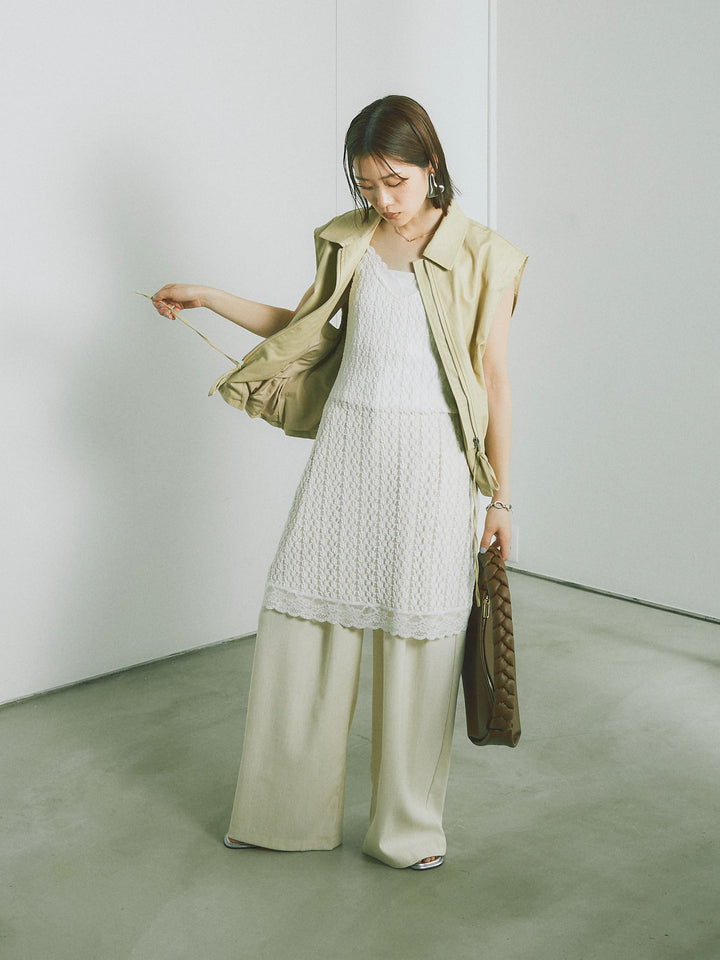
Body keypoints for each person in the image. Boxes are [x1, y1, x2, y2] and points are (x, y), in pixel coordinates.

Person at [150, 95, 528, 870]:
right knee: (304, 633)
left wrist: (500, 499)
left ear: (430, 165)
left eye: (396, 181)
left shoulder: (486, 254)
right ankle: (281, 815)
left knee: (420, 647)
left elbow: (495, 378)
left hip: (432, 467)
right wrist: (209, 297)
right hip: (348, 454)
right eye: (367, 185)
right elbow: (302, 327)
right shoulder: (348, 239)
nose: (383, 200)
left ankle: (407, 832)